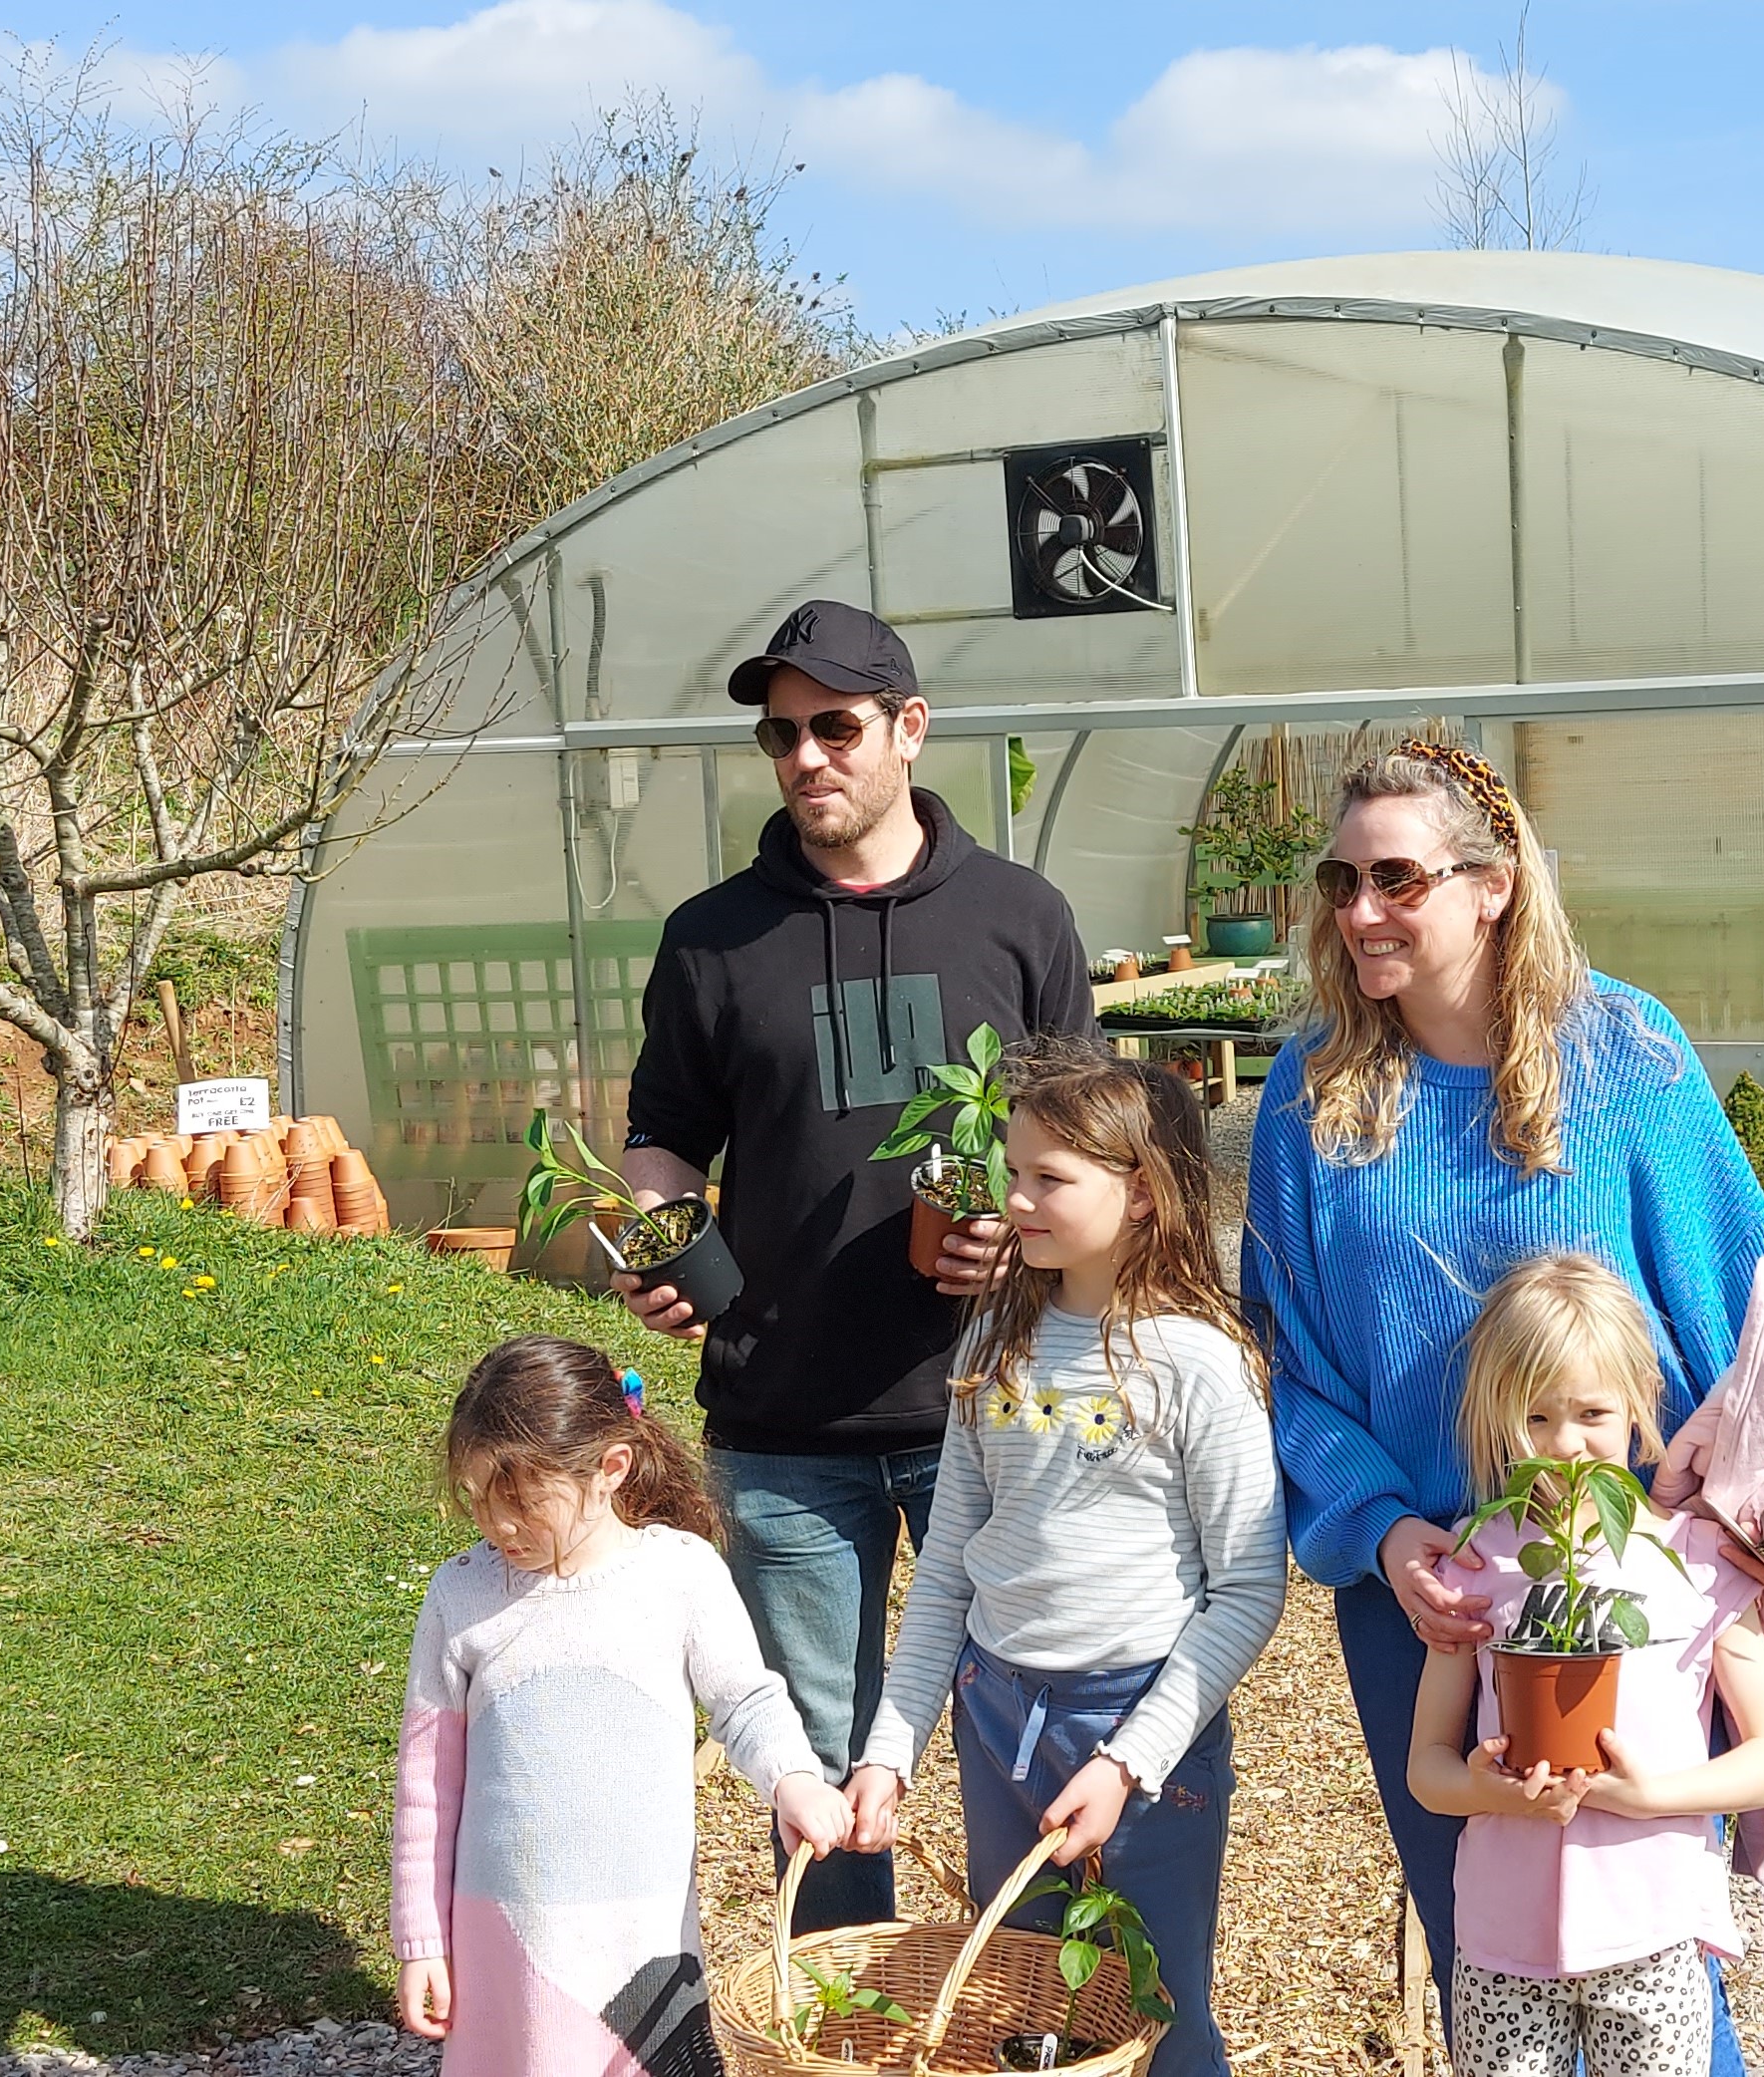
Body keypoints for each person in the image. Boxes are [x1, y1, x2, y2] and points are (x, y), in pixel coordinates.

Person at [1239, 737, 1764, 2074]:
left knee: (1650, 1956)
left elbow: (1744, 1307)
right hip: (1440, 1608)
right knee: (1489, 1952)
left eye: (1397, 879)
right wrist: (1382, 1537)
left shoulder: (1622, 1058)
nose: (1359, 912)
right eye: (1339, 880)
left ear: (1491, 884)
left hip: (1629, 1596)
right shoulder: (1311, 1100)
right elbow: (1295, 1364)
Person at [608, 598, 1096, 1930]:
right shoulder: (714, 938)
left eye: (836, 727)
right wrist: (662, 1245)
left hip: (988, 1409)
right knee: (815, 1757)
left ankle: (1036, 2014)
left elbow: (1095, 1148)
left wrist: (1026, 1228)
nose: (807, 758)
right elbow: (661, 1141)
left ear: (908, 730)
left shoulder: (1017, 918)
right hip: (784, 1424)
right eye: (782, 737)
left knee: (1023, 1722)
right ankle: (843, 2025)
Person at [842, 1042, 1284, 2077]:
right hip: (995, 1713)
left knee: (1153, 2002)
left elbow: (1248, 1587)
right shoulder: (992, 1332)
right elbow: (947, 1564)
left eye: (1048, 1175)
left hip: (1134, 1724)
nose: (1013, 1196)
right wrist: (889, 1747)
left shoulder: (1195, 1363)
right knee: (1028, 1996)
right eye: (1013, 1167)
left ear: (1141, 1194)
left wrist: (1129, 1758)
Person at [392, 1335, 849, 2076]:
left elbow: (745, 1698)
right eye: (478, 1501)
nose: (496, 1528)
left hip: (644, 1936)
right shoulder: (461, 1593)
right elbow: (426, 1791)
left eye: (521, 1504)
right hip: (503, 1944)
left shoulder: (679, 1574)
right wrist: (422, 1941)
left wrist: (793, 1778)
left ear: (610, 1469)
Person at [1407, 1255, 1764, 2077]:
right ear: (1493, 1415)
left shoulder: (1696, 1562)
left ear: (1638, 1406)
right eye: (1535, 1417)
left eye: (1592, 1412)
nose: (1563, 1445)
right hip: (1501, 1943)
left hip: (1653, 1930)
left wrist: (1649, 1794)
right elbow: (1426, 1768)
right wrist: (1489, 1792)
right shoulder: (1477, 1564)